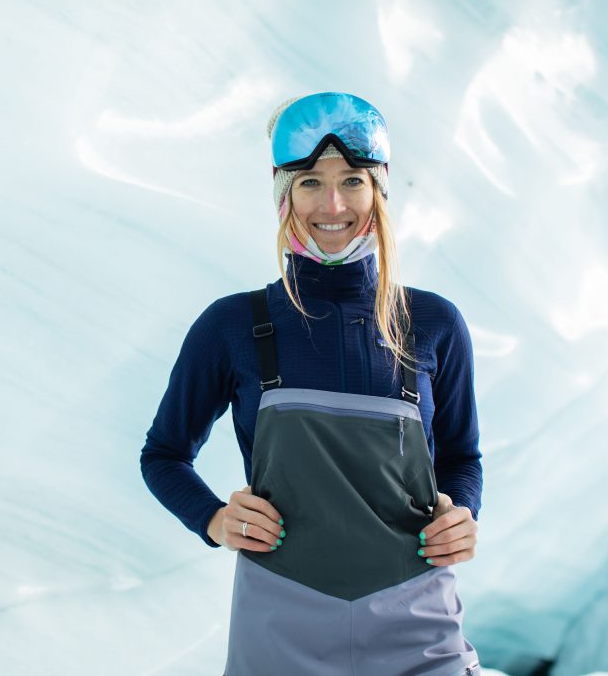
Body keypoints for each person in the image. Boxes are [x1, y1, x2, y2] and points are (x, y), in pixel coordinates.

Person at [140, 92, 483, 676]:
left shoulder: (432, 323)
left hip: (417, 620)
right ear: (283, 194)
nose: (333, 204)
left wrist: (463, 514)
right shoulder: (233, 325)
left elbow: (461, 457)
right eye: (309, 183)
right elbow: (164, 455)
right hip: (279, 622)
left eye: (352, 180)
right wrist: (214, 519)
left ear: (379, 191)